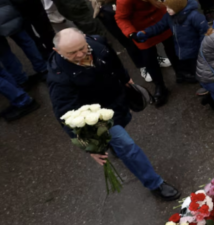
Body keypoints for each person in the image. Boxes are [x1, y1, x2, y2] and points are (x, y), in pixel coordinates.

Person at [47, 29, 180, 199]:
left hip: (116, 101)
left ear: (86, 38)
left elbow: (115, 63)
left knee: (124, 125)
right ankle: (155, 184)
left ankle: (113, 146)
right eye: (72, 53)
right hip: (97, 119)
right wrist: (89, 147)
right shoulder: (59, 80)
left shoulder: (97, 43)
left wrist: (126, 80)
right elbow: (65, 115)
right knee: (128, 147)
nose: (81, 54)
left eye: (82, 47)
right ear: (57, 51)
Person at [115, 0, 192, 104]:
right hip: (141, 29)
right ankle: (160, 86)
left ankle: (181, 73)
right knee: (149, 59)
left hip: (161, 18)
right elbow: (121, 18)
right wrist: (131, 33)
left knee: (173, 49)